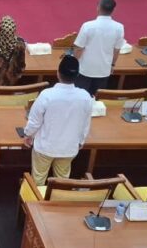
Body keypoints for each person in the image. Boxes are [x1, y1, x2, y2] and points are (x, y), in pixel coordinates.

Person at [22, 55, 93, 185]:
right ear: (77, 75)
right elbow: (85, 123)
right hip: (69, 148)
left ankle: (37, 202)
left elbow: (34, 120)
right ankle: (57, 200)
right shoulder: (85, 97)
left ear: (58, 73)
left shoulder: (47, 95)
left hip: (45, 147)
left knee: (38, 179)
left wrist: (28, 134)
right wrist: (81, 140)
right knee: (62, 181)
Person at [73, 0, 125, 96]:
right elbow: (117, 50)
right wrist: (112, 65)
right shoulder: (119, 27)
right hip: (104, 70)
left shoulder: (88, 26)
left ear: (98, 7)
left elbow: (79, 48)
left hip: (85, 70)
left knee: (80, 97)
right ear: (114, 10)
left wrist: (74, 63)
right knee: (96, 100)